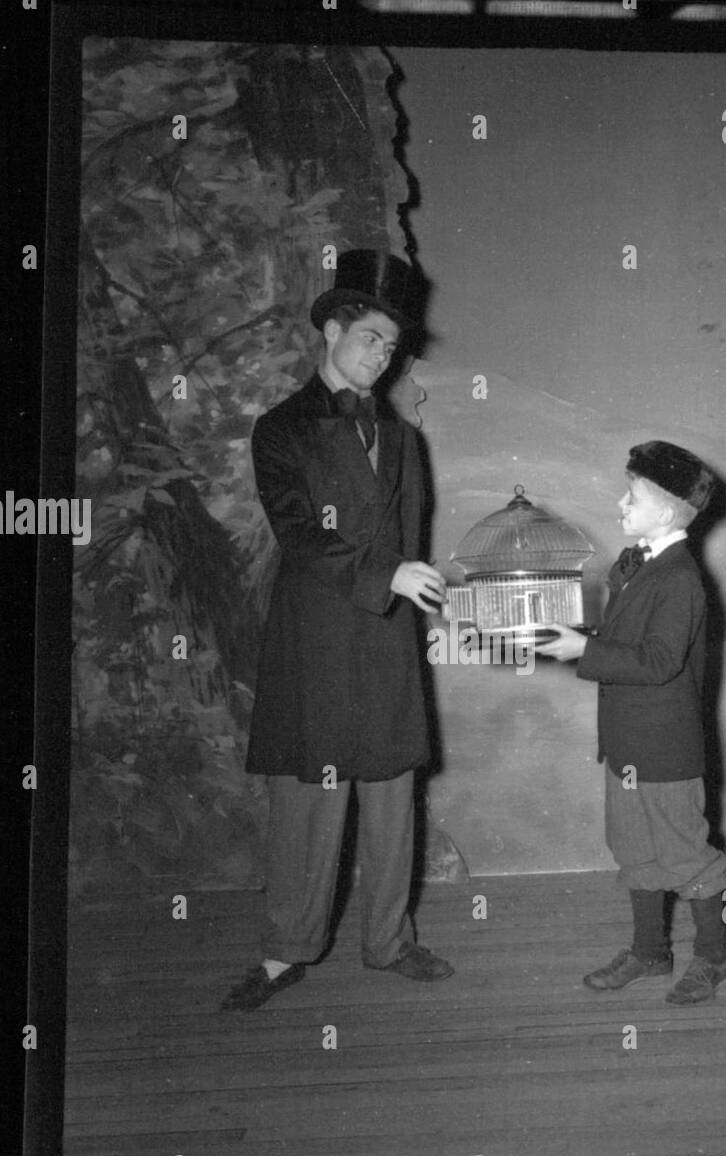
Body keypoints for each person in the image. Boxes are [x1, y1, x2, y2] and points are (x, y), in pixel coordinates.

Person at [222, 250, 454, 1011]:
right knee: (310, 801)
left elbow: (410, 536)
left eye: (391, 347)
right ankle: (287, 952)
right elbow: (296, 532)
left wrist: (410, 588)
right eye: (369, 340)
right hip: (316, 636)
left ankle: (391, 941)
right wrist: (382, 576)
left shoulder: (403, 438)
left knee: (391, 793)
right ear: (330, 330)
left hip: (385, 637)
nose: (381, 357)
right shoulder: (280, 429)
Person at [540, 441, 726, 1004]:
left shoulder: (680, 579)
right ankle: (650, 952)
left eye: (632, 496)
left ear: (668, 512)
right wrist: (580, 641)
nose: (620, 504)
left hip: (666, 753)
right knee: (635, 851)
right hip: (626, 746)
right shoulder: (641, 566)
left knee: (687, 858)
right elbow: (630, 646)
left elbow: (658, 661)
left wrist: (585, 650)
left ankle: (714, 957)